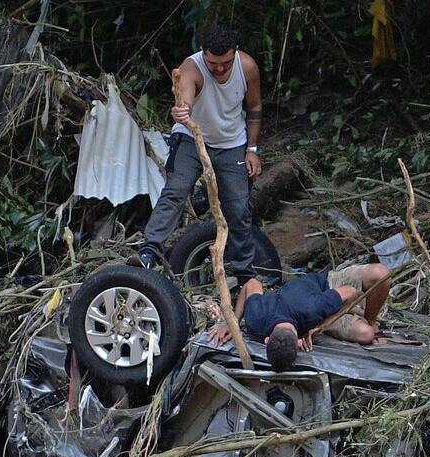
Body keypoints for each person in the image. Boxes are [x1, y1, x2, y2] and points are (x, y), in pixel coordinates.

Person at [128, 24, 263, 286]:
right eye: (214, 63)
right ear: (203, 54)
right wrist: (183, 110)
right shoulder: (192, 68)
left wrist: (252, 149)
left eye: (226, 62)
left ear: (235, 53)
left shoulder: (247, 66)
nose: (220, 69)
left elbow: (255, 106)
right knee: (176, 191)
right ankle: (149, 251)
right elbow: (185, 95)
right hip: (191, 137)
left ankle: (244, 272)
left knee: (237, 208)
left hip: (232, 142)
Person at [209, 264, 391, 371]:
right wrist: (230, 322)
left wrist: (319, 326)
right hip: (313, 305)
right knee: (365, 335)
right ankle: (358, 314)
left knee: (380, 274)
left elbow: (350, 292)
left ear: (266, 339)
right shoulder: (256, 319)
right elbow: (252, 283)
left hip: (327, 286)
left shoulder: (312, 309)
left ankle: (370, 318)